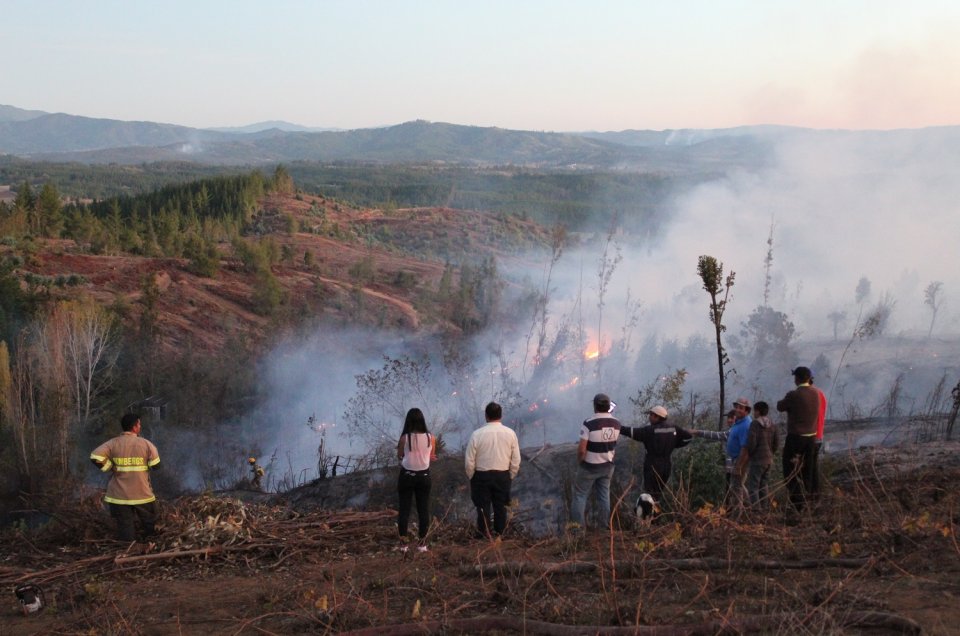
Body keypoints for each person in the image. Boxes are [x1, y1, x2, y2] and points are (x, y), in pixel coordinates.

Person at [89, 413, 161, 542]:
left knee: (125, 528)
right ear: (134, 427)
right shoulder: (146, 444)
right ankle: (151, 548)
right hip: (142, 494)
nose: (140, 426)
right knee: (150, 523)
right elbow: (156, 465)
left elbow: (95, 456)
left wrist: (110, 467)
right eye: (139, 424)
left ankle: (126, 553)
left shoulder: (113, 443)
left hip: (119, 496)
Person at [464, 402, 521, 538]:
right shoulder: (510, 433)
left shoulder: (477, 434)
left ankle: (484, 536)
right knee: (500, 508)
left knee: (483, 508)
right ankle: (500, 536)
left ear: (486, 416)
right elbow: (516, 460)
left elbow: (469, 460)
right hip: (503, 475)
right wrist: (510, 475)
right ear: (501, 415)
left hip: (481, 476)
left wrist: (472, 476)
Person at [619, 405, 692, 507]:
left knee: (649, 494)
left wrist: (617, 427)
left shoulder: (650, 430)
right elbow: (688, 438)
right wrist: (674, 445)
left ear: (657, 417)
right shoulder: (674, 428)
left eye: (651, 415)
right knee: (658, 493)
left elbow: (632, 432)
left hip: (652, 465)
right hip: (666, 465)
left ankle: (649, 518)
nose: (649, 417)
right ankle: (657, 517)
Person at [569, 393, 622, 530]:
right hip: (607, 466)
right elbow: (613, 445)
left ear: (595, 406)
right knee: (604, 497)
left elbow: (581, 449)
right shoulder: (617, 423)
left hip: (589, 467)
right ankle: (604, 528)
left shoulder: (589, 423)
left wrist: (581, 462)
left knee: (580, 496)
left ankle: (577, 531)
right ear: (608, 406)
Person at [691, 398, 752, 510]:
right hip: (735, 461)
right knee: (738, 487)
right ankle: (750, 510)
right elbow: (721, 436)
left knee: (737, 489)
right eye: (736, 407)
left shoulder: (746, 425)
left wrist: (738, 466)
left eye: (741, 408)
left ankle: (740, 515)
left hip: (739, 461)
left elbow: (746, 448)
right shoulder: (738, 424)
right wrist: (698, 432)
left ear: (747, 411)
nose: (737, 409)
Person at [777, 366, 820, 512]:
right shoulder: (816, 393)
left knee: (789, 471)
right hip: (811, 439)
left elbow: (780, 406)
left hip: (796, 439)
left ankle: (798, 502)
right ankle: (813, 499)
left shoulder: (794, 395)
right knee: (809, 470)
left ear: (796, 379)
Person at [396, 407, 435, 552]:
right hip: (424, 477)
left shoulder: (404, 438)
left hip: (407, 476)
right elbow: (432, 455)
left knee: (404, 510)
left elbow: (400, 455)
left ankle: (403, 545)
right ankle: (422, 544)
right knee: (423, 510)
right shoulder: (431, 437)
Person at [743, 401, 779, 509]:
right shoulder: (773, 424)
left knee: (753, 486)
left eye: (755, 411)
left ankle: (756, 510)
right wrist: (771, 453)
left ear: (758, 411)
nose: (754, 413)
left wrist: (750, 453)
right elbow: (776, 443)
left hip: (757, 460)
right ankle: (765, 508)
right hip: (768, 460)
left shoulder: (755, 424)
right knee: (763, 485)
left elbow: (751, 442)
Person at [810, 377, 828, 497]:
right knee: (813, 465)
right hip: (819, 435)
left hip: (810, 435)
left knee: (808, 467)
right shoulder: (820, 393)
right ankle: (815, 493)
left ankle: (811, 495)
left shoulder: (810, 394)